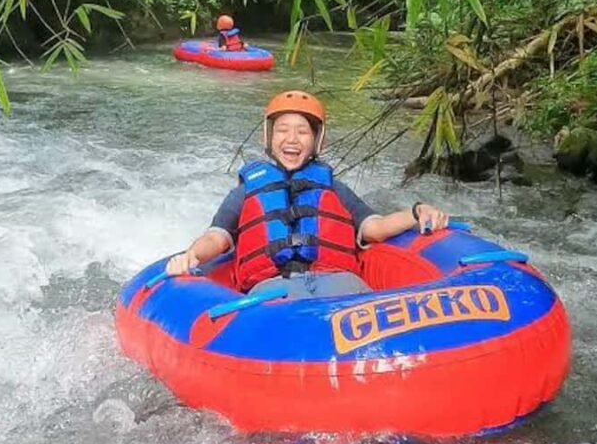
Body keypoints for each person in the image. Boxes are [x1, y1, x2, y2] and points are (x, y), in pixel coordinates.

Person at [166, 90, 448, 299]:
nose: (291, 139)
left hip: (340, 284)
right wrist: (191, 255)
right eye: (283, 131)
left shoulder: (332, 187)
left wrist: (416, 212)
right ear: (269, 137)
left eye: (302, 132)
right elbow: (217, 237)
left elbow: (375, 228)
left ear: (316, 141)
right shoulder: (247, 190)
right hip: (275, 290)